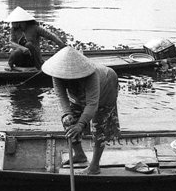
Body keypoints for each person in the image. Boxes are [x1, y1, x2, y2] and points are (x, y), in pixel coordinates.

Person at [42, 46, 120, 175]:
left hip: (107, 86)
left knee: (99, 125)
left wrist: (81, 124)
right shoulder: (57, 73)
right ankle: (79, 154)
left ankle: (94, 166)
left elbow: (92, 104)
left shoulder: (92, 74)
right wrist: (67, 113)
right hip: (79, 94)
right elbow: (61, 95)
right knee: (68, 121)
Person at [5, 6, 67, 70]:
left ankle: (39, 67)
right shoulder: (14, 30)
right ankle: (9, 65)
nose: (12, 24)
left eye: (14, 22)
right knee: (17, 51)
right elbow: (11, 43)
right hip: (21, 60)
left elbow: (51, 36)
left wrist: (62, 46)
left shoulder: (35, 28)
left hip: (34, 60)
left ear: (21, 22)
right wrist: (22, 48)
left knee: (28, 44)